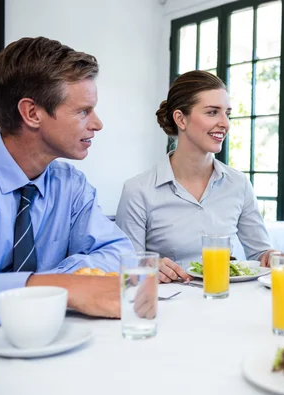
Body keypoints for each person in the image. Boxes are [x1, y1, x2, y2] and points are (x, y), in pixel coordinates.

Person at [0, 37, 135, 325]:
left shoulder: (71, 186)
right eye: (83, 111)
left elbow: (120, 253)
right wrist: (59, 287)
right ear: (32, 113)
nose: (97, 123)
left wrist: (56, 280)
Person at [116, 70, 275, 283]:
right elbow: (127, 268)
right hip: (167, 307)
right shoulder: (138, 190)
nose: (225, 123)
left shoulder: (238, 184)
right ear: (181, 119)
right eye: (212, 112)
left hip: (225, 300)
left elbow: (260, 255)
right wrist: (148, 266)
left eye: (227, 113)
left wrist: (271, 257)